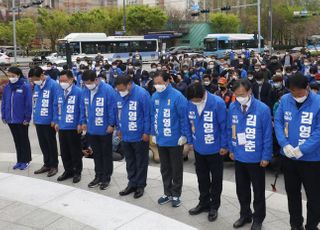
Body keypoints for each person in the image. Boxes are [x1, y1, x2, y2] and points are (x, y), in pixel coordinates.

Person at [274, 72, 320, 230]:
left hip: (312, 160)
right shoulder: (286, 100)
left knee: (314, 196)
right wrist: (284, 144)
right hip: (289, 158)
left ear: (307, 87)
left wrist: (303, 149)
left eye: (298, 92)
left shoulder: (318, 103)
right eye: (292, 92)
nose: (295, 95)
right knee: (292, 194)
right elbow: (278, 122)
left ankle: (312, 226)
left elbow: (319, 132)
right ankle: (295, 224)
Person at [227, 79, 272, 230]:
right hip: (239, 155)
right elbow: (230, 129)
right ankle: (245, 215)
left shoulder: (262, 109)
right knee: (242, 189)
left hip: (256, 157)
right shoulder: (233, 107)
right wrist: (231, 149)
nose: (239, 97)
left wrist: (266, 156)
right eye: (236, 94)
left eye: (242, 94)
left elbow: (267, 134)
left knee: (258, 191)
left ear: (250, 92)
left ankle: (258, 218)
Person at [186, 83, 227, 222]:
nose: (193, 103)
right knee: (202, 177)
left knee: (216, 179)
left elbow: (224, 126)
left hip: (215, 149)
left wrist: (224, 145)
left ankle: (214, 206)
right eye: (192, 100)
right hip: (198, 148)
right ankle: (203, 203)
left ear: (202, 95)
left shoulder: (217, 103)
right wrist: (190, 141)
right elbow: (188, 122)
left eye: (196, 100)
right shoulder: (190, 103)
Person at [151, 71, 191, 208]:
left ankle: (176, 194)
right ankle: (167, 193)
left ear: (167, 82)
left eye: (160, 83)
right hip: (161, 139)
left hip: (175, 140)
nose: (157, 85)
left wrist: (185, 135)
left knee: (176, 168)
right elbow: (153, 116)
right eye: (155, 83)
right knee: (165, 168)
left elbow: (184, 118)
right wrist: (153, 134)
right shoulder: (154, 96)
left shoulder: (177, 97)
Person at [115, 76, 151, 199]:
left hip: (139, 136)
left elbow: (147, 114)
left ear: (129, 84)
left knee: (141, 162)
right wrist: (119, 129)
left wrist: (146, 132)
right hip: (125, 135)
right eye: (118, 90)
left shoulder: (142, 94)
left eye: (122, 89)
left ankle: (140, 185)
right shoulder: (119, 94)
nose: (121, 92)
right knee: (129, 162)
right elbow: (118, 112)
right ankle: (132, 183)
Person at [80, 70, 116, 190]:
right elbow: (82, 107)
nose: (87, 85)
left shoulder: (107, 89)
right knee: (96, 154)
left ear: (96, 80)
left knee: (106, 154)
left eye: (89, 82)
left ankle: (106, 177)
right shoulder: (85, 90)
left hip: (104, 129)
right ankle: (98, 176)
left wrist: (111, 124)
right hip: (91, 129)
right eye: (85, 83)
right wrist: (83, 122)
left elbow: (112, 108)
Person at [53, 70, 83, 183]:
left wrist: (80, 123)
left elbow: (82, 109)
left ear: (71, 80)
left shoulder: (78, 92)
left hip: (73, 126)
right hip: (62, 126)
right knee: (64, 151)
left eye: (64, 80)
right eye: (60, 81)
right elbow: (55, 106)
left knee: (75, 151)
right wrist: (56, 121)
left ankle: (77, 172)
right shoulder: (59, 91)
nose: (62, 83)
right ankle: (68, 170)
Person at [1, 67, 32, 170]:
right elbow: (4, 102)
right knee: (17, 140)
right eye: (9, 76)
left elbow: (28, 103)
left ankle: (26, 160)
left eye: (13, 76)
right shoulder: (7, 87)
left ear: (18, 75)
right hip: (10, 119)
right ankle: (19, 160)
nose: (11, 78)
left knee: (23, 140)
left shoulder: (25, 86)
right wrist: (4, 115)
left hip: (21, 119)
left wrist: (27, 118)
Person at [31, 67, 59, 177]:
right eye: (33, 79)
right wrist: (35, 117)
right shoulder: (37, 86)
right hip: (39, 120)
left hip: (49, 121)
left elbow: (56, 103)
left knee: (51, 144)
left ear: (42, 75)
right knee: (43, 144)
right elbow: (35, 101)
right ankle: (46, 164)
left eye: (36, 79)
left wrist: (54, 119)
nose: (34, 81)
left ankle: (54, 166)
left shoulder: (53, 85)